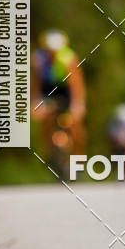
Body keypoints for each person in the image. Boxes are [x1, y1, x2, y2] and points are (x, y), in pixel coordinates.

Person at [31, 29, 86, 159]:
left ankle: (78, 157)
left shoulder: (69, 58)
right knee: (46, 120)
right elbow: (36, 83)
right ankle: (50, 155)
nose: (52, 53)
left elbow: (76, 85)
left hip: (66, 91)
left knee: (74, 124)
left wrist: (77, 104)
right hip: (48, 90)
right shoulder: (39, 59)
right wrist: (35, 102)